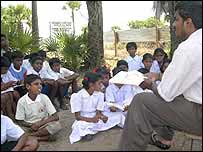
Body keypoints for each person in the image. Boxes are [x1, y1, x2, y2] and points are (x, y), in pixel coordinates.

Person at [119, 1, 202, 150]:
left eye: (176, 19)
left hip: (198, 115)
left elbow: (165, 94)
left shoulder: (188, 48)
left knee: (141, 101)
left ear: (188, 22)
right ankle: (164, 138)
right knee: (168, 97)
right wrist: (158, 76)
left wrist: (149, 83)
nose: (173, 25)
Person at [69, 72, 124, 144]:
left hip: (95, 118)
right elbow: (78, 117)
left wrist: (102, 116)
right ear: (91, 85)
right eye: (99, 83)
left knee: (119, 115)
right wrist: (91, 119)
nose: (102, 85)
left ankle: (89, 131)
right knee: (79, 125)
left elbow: (98, 112)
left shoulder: (100, 95)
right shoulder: (78, 96)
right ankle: (88, 131)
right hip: (84, 119)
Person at [15, 74, 62, 141]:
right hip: (29, 127)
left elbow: (55, 116)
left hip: (43, 124)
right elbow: (20, 121)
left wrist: (39, 124)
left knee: (56, 126)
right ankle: (42, 137)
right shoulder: (22, 101)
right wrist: (31, 125)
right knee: (16, 129)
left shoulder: (44, 97)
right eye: (36, 84)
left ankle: (30, 136)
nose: (40, 86)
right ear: (28, 86)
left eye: (41, 84)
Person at [1, 56, 20, 120]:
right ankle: (9, 115)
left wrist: (16, 82)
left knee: (13, 94)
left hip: (8, 90)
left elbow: (13, 80)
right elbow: (2, 87)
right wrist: (8, 84)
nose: (6, 71)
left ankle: (15, 114)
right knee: (7, 96)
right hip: (4, 92)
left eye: (7, 69)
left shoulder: (8, 73)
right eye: (4, 69)